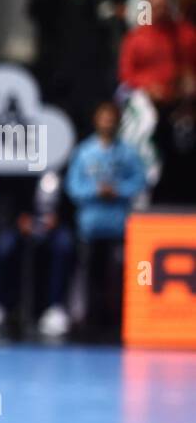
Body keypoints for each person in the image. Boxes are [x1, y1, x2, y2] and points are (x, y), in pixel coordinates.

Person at [65, 101, 147, 338]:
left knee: (123, 277)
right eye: (104, 118)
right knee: (89, 277)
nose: (107, 123)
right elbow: (73, 187)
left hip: (120, 226)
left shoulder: (128, 153)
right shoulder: (84, 152)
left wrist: (118, 191)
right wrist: (95, 192)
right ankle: (89, 323)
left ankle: (119, 324)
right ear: (96, 120)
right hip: (90, 227)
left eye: (112, 118)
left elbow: (139, 182)